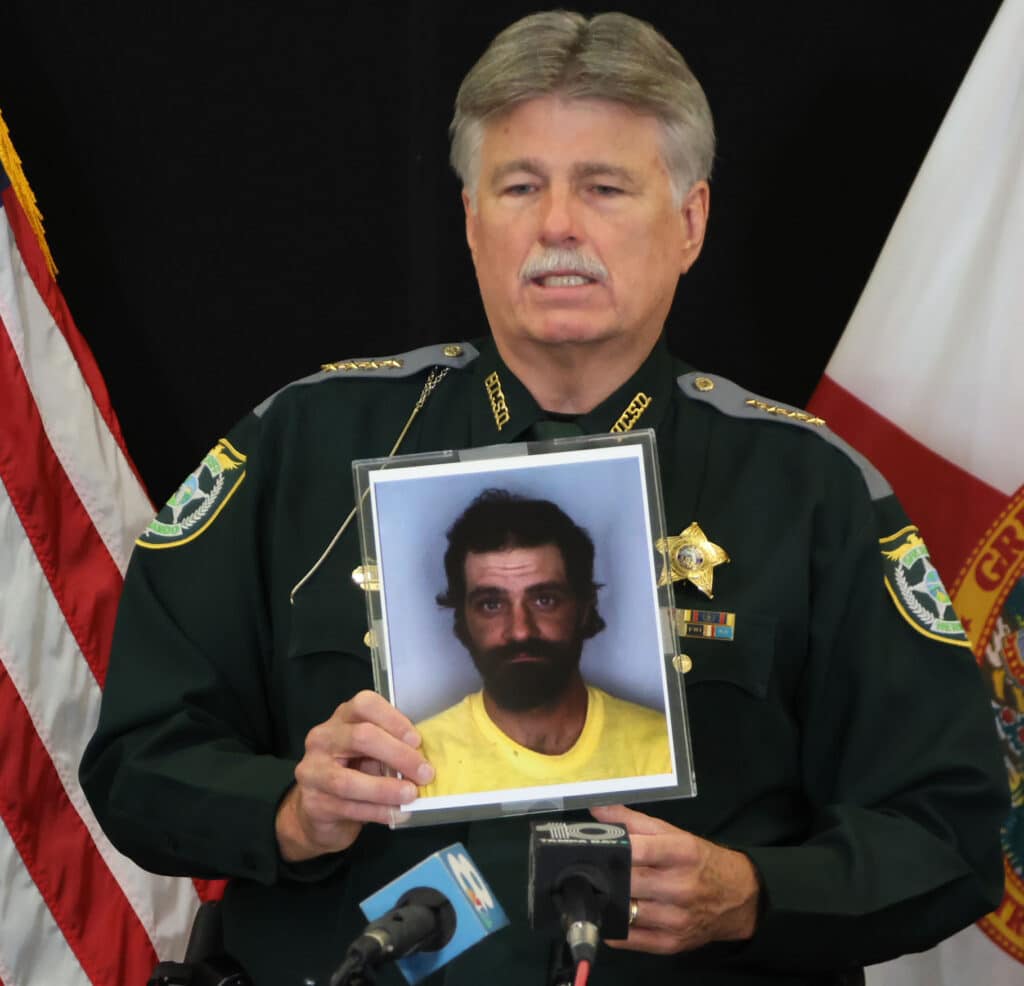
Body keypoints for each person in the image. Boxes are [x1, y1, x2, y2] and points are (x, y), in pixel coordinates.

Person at [80, 10, 1007, 986]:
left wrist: (753, 891)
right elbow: (137, 761)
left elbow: (948, 831)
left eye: (604, 187)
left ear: (689, 220)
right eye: (520, 186)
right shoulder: (299, 445)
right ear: (472, 220)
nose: (558, 225)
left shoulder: (811, 487)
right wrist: (286, 810)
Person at [416, 489, 671, 798]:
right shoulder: (417, 763)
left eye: (544, 600)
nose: (521, 631)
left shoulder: (663, 751)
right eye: (491, 605)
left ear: (584, 608)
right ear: (462, 620)